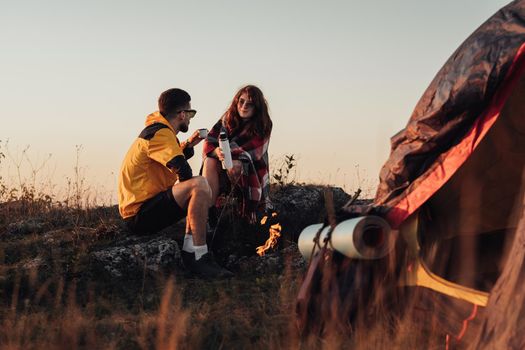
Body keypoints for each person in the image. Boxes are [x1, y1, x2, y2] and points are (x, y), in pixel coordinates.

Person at [118, 88, 233, 278]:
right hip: (140, 215)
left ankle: (191, 248)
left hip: (146, 207)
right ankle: (198, 254)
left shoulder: (158, 130)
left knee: (197, 187)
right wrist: (199, 203)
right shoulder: (159, 133)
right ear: (182, 114)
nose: (190, 119)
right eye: (191, 113)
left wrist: (189, 144)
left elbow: (169, 156)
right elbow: (181, 169)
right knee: (199, 184)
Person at [202, 85, 273, 225]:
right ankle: (209, 215)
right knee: (209, 160)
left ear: (257, 107)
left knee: (236, 163)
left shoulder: (263, 124)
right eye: (241, 101)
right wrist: (216, 151)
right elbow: (209, 141)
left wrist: (226, 152)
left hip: (251, 172)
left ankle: (245, 206)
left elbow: (254, 152)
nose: (244, 106)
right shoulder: (227, 119)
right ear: (236, 101)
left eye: (250, 103)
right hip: (224, 169)